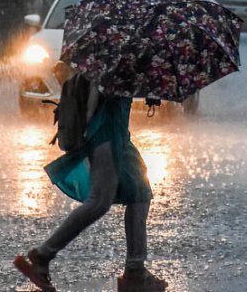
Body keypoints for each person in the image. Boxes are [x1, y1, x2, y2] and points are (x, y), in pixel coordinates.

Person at [14, 62, 167, 292]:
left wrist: (148, 85)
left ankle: (135, 269)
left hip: (118, 133)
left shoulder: (120, 47)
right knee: (98, 201)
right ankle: (43, 256)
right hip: (106, 132)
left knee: (139, 193)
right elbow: (111, 82)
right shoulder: (114, 49)